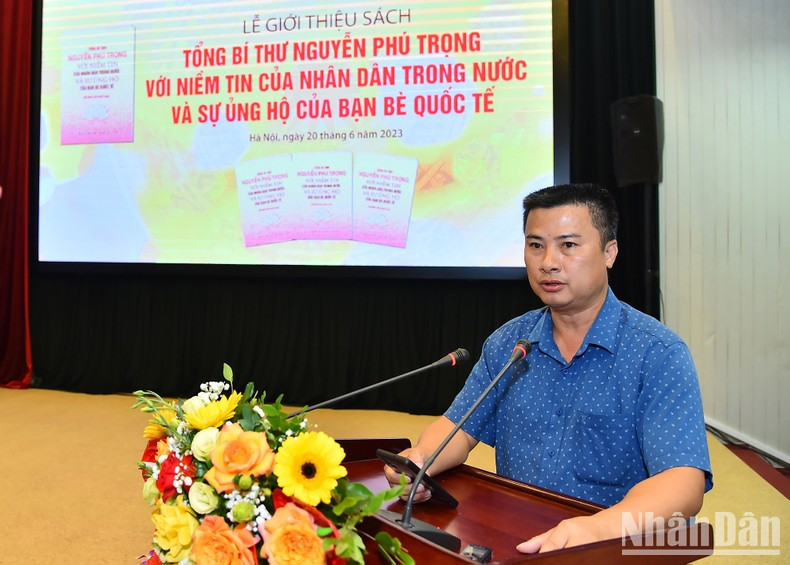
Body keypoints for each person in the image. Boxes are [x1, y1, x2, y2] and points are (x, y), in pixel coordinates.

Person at [384, 183, 713, 553]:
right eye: (535, 245)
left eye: (568, 245)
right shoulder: (510, 343)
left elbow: (684, 482)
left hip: (610, 547)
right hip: (518, 541)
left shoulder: (657, 353)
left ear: (610, 252)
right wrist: (421, 461)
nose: (548, 262)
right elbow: (458, 429)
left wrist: (595, 529)